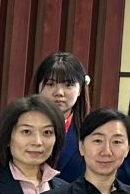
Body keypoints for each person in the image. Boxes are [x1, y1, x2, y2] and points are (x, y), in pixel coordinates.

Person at [32, 51, 91, 181]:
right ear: (38, 87)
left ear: (80, 89)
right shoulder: (19, 126)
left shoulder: (92, 130)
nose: (59, 93)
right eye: (50, 84)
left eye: (68, 85)